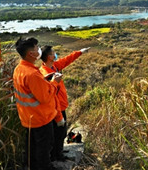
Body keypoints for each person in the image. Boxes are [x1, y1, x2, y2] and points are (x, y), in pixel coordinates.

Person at [13, 37, 63, 170]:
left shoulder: (20, 69)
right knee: (44, 148)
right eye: (36, 48)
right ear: (31, 54)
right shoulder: (32, 74)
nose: (39, 50)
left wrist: (44, 81)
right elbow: (45, 98)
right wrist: (54, 82)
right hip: (41, 118)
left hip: (28, 117)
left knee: (32, 148)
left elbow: (31, 91)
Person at [40, 46, 90, 161]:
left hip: (61, 106)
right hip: (56, 109)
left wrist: (80, 52)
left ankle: (59, 151)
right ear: (49, 57)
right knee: (58, 133)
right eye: (53, 53)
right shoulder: (46, 74)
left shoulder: (54, 67)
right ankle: (57, 156)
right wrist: (58, 115)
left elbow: (67, 59)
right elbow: (51, 97)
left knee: (61, 132)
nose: (56, 54)